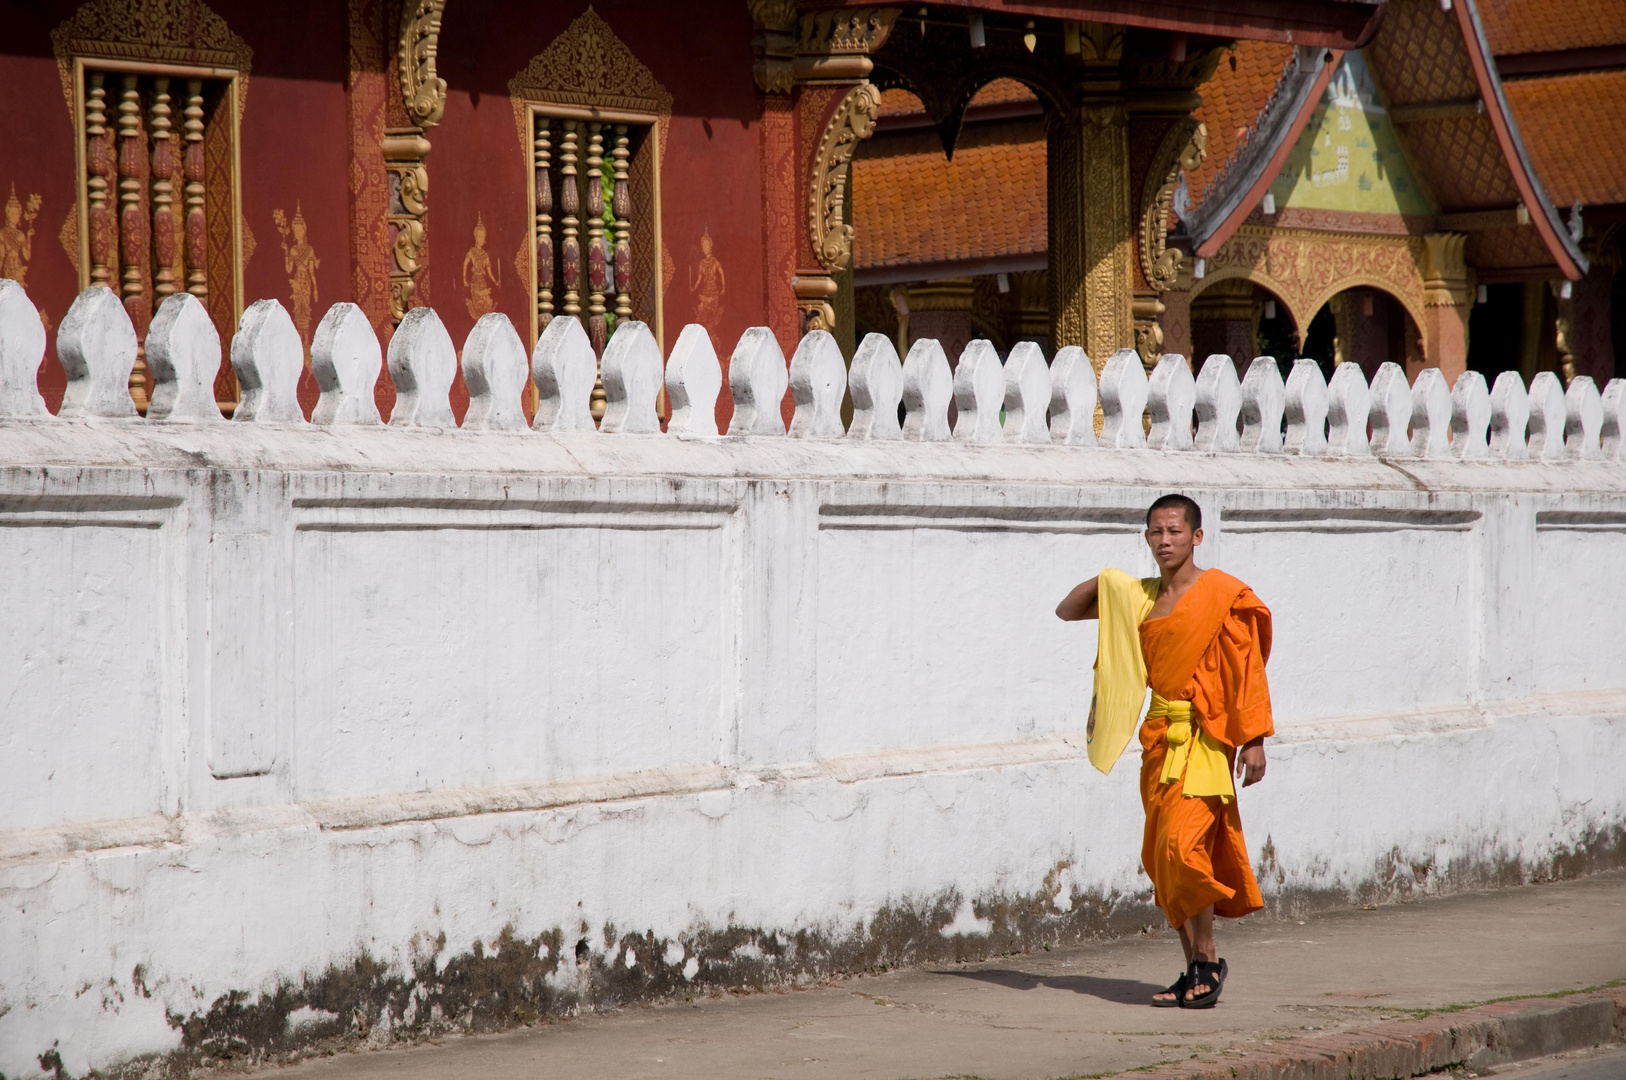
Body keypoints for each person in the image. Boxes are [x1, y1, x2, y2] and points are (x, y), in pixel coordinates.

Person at [1055, 493, 1272, 1008]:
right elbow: (1067, 610)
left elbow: (1248, 670)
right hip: (1159, 737)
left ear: (1197, 537)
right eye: (1156, 532)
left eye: (1175, 531)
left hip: (1205, 737)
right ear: (1147, 538)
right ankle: (1196, 966)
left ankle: (1209, 957)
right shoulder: (1143, 597)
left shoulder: (1222, 593)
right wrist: (1110, 580)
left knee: (1184, 848)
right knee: (1164, 861)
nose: (1165, 540)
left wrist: (1255, 739)